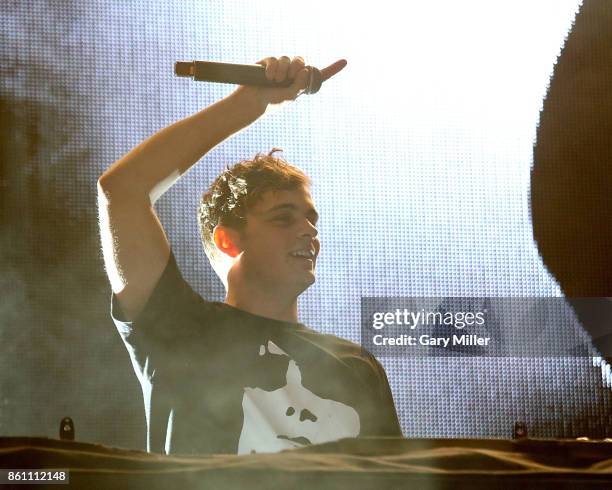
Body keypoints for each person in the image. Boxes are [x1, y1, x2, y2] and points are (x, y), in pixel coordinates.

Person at [97, 55, 402, 455]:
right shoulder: (180, 331)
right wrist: (251, 101)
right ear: (228, 241)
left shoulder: (357, 366)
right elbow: (122, 191)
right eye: (283, 217)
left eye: (312, 219)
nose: (308, 230)